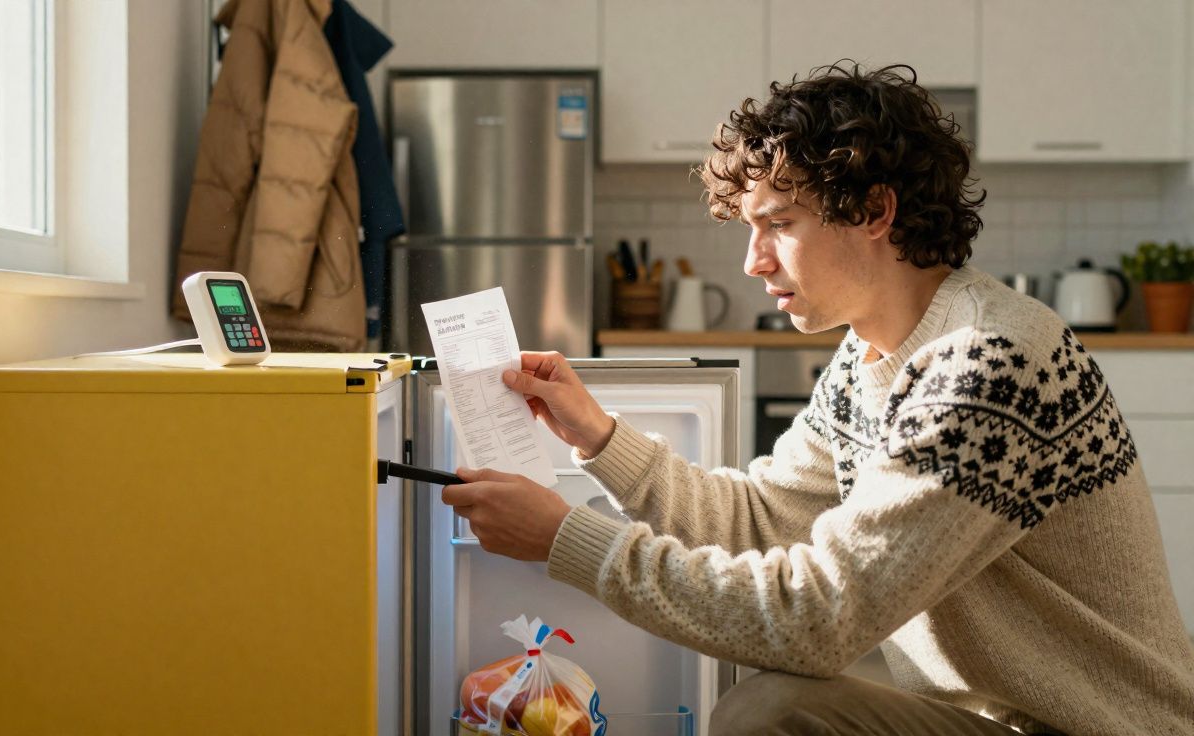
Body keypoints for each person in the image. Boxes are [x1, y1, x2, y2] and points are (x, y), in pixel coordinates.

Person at [441, 63, 1194, 735]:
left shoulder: (987, 365)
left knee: (772, 711)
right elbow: (761, 521)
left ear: (874, 212)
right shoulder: (870, 354)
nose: (752, 260)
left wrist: (566, 541)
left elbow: (819, 618)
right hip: (986, 719)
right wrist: (601, 438)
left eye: (779, 224)